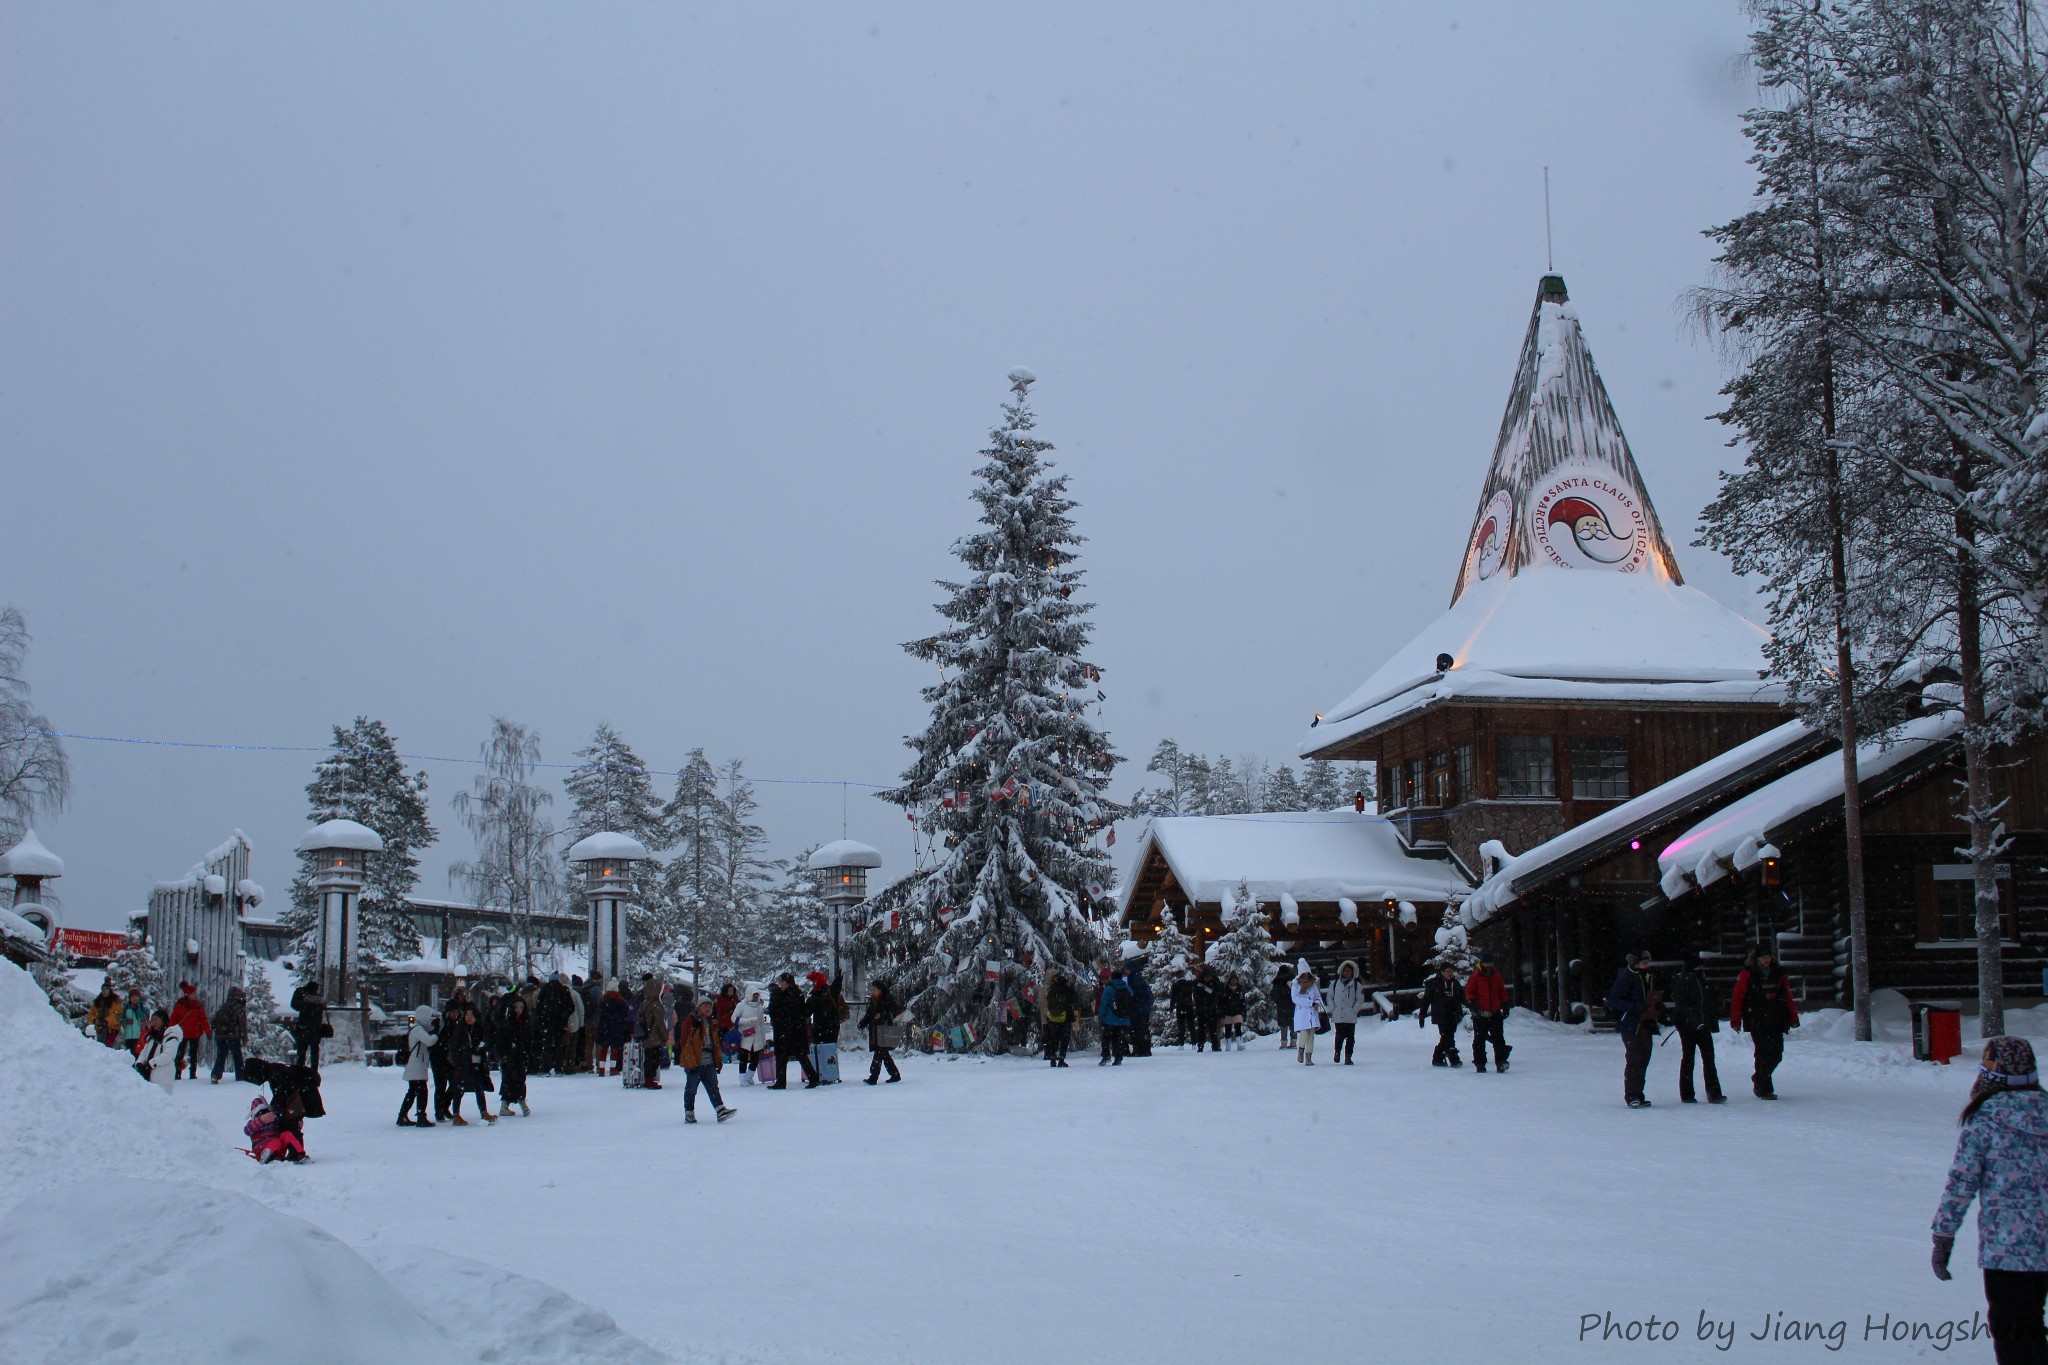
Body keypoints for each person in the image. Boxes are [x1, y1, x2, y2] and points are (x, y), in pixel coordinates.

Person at [1931, 1037, 2047, 1365]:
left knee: (2016, 1334)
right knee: (2029, 1327)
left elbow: (1961, 1182)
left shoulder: (1984, 1120)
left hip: (2008, 1252)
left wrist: (1943, 1235)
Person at [1729, 943, 1799, 1099]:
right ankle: (1764, 1089)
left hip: (1776, 1018)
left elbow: (1787, 996)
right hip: (1757, 1019)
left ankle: (1759, 1077)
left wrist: (1793, 1017)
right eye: (1763, 957)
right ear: (1757, 958)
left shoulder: (1779, 973)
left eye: (1768, 957)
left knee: (1777, 1054)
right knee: (1762, 1054)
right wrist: (1735, 1019)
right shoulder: (1748, 973)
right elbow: (1738, 996)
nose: (1766, 960)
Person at [1605, 950, 1661, 1109]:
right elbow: (1614, 999)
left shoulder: (1648, 976)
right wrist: (1634, 1007)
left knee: (1644, 1059)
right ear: (1636, 964)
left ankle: (1638, 1094)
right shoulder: (1626, 977)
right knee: (1634, 1059)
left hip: (1646, 1023)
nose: (1647, 965)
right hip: (1630, 1024)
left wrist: (1657, 1006)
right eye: (1644, 963)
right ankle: (1631, 1096)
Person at [1668, 950, 1725, 1104]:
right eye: (1699, 967)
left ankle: (1714, 1092)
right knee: (1689, 1058)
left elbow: (1707, 1004)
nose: (1701, 969)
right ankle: (1687, 1094)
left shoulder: (1701, 980)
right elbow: (1684, 1006)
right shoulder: (1684, 981)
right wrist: (1696, 1022)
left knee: (1708, 1059)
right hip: (1688, 1027)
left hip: (1703, 1025)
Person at [677, 998, 738, 1123]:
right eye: (705, 1006)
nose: (708, 1009)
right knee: (691, 1088)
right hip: (695, 1062)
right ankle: (689, 1113)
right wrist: (691, 1061)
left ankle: (720, 1110)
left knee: (713, 1087)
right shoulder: (691, 1022)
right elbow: (685, 1043)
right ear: (699, 1007)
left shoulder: (711, 1023)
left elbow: (715, 1043)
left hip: (709, 1061)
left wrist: (718, 1060)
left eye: (710, 1006)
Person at [442, 997, 495, 1124]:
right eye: (467, 1014)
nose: (469, 1017)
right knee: (459, 1090)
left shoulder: (479, 1030)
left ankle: (483, 1112)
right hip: (464, 1064)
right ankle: (456, 1115)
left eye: (471, 1015)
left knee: (479, 1087)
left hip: (477, 1063)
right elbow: (454, 1047)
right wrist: (459, 1059)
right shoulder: (461, 1030)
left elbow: (486, 1043)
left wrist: (481, 1047)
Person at [767, 973, 819, 1089]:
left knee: (787, 1056)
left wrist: (776, 999)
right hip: (792, 1031)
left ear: (786, 982)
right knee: (795, 1056)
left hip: (789, 1031)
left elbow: (783, 1011)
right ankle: (811, 1078)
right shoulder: (794, 993)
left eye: (782, 982)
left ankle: (783, 1081)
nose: (780, 985)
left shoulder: (791, 995)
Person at [1464, 952, 1512, 1073]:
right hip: (1480, 1014)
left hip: (1495, 1012)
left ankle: (1501, 1062)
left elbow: (1502, 991)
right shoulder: (1475, 976)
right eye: (1486, 963)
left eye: (1490, 963)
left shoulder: (1497, 976)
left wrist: (1505, 1005)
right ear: (1482, 963)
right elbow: (1469, 992)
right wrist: (1472, 1003)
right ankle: (1480, 1063)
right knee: (1479, 1041)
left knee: (1499, 1040)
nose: (1488, 965)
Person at [1420, 962, 1465, 1068]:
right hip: (1440, 1014)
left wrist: (1472, 1007)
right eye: (1447, 972)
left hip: (1453, 1014)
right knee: (1446, 1036)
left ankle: (1438, 1057)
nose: (1450, 974)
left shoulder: (1455, 983)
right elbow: (1426, 1000)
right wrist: (1422, 1015)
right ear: (1441, 972)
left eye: (1451, 971)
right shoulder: (1434, 983)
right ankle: (1453, 1058)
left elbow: (1462, 998)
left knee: (1449, 1036)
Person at [399, 1007, 438, 1127]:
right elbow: (429, 1041)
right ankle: (421, 1116)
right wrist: (436, 1035)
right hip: (417, 1064)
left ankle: (403, 1116)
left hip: (416, 1064)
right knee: (421, 1091)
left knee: (413, 1091)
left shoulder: (416, 1028)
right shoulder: (418, 1029)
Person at [498, 993, 535, 1116]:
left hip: (520, 1055)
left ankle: (512, 1104)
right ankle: (518, 1104)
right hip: (510, 1056)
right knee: (509, 1080)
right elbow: (501, 1041)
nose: (518, 1010)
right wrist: (504, 1055)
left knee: (519, 1079)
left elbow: (528, 1040)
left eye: (521, 1008)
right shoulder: (508, 1023)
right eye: (516, 1007)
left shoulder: (524, 1022)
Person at [861, 981, 904, 1084]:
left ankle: (873, 1077)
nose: (872, 991)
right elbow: (869, 1014)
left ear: (880, 990)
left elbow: (894, 1011)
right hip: (876, 1031)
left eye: (874, 989)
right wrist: (862, 1023)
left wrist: (882, 1015)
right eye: (872, 990)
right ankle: (895, 1074)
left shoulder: (887, 999)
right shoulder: (873, 1001)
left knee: (879, 1052)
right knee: (884, 1054)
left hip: (884, 1031)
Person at [245, 1095, 306, 1163]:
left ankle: (299, 1153)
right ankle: (266, 1156)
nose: (265, 1114)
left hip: (278, 1148)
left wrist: (297, 1126)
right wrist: (261, 1120)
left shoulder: (274, 1120)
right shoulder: (254, 1123)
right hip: (261, 1148)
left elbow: (282, 1129)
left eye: (266, 1111)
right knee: (276, 1141)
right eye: (261, 1112)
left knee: (287, 1134)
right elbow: (247, 1130)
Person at [168, 981, 210, 1080]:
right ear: (188, 994)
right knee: (181, 1054)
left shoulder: (196, 1006)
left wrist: (208, 1031)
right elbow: (174, 1019)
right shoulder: (182, 1006)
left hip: (193, 1033)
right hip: (184, 1033)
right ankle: (178, 1073)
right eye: (193, 994)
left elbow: (203, 1019)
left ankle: (192, 1073)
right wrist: (171, 1030)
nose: (195, 995)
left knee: (191, 1054)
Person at [1327, 959, 1366, 1065]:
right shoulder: (1334, 984)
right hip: (1338, 1014)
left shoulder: (1357, 985)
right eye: (1345, 971)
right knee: (1339, 1035)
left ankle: (1348, 1056)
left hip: (1350, 1015)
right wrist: (1333, 1008)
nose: (1347, 973)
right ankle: (1337, 1052)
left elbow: (1360, 999)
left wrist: (1354, 1010)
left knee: (1350, 1038)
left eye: (1349, 971)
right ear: (1342, 971)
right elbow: (1329, 997)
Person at [807, 971, 842, 1084]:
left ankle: (826, 1074)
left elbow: (806, 1011)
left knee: (826, 1051)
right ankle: (827, 1074)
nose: (813, 983)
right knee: (826, 1052)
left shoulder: (824, 993)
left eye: (815, 981)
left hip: (826, 1027)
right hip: (826, 1027)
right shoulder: (817, 995)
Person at [536, 972, 574, 1074]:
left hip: (547, 1023)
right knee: (559, 1045)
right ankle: (559, 1068)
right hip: (560, 1023)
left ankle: (545, 1068)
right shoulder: (563, 990)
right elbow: (571, 1007)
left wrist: (541, 1018)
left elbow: (538, 1007)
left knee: (546, 1046)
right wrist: (564, 1016)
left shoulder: (544, 990)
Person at [209, 984, 249, 1084]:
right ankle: (240, 1076)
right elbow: (242, 1025)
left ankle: (215, 1074)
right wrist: (244, 1039)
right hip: (232, 1035)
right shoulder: (239, 1007)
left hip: (220, 1035)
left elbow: (214, 1022)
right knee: (237, 1056)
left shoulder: (224, 1006)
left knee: (221, 1055)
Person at [636, 975, 669, 1090]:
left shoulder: (644, 1002)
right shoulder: (656, 1004)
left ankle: (648, 1078)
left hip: (645, 1034)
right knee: (654, 1058)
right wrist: (665, 1036)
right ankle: (649, 1080)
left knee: (648, 1057)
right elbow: (660, 1022)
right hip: (654, 1036)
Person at [1096, 965, 1134, 1066]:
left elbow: (1103, 1004)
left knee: (1106, 1038)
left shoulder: (1109, 989)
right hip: (1123, 1018)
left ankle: (1106, 1055)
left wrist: (1100, 1017)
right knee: (1118, 1039)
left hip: (1110, 1018)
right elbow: (1131, 1000)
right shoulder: (1127, 988)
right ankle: (1118, 1057)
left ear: (1112, 977)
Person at [1042, 969, 1079, 1068]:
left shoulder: (1052, 989)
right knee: (1064, 1039)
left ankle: (1053, 1058)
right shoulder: (1067, 990)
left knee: (1054, 1038)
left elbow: (1047, 1000)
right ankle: (1061, 1059)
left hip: (1052, 1018)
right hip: (1065, 1018)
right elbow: (1074, 999)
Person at [1289, 961, 1324, 1065]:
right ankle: (1300, 1051)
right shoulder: (1296, 985)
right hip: (1302, 1014)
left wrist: (1317, 1002)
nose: (1305, 978)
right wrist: (1310, 1003)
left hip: (1312, 1014)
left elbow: (1318, 996)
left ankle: (1309, 1057)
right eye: (1303, 975)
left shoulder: (1313, 985)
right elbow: (1295, 999)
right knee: (1304, 1034)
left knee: (1311, 1037)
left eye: (1307, 975)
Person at [594, 978, 630, 1077]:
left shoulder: (603, 1000)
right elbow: (625, 1014)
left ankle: (601, 1069)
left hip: (604, 1027)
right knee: (614, 1049)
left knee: (603, 1049)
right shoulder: (620, 1001)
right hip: (615, 1028)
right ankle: (613, 1069)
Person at [289, 979, 327, 1071]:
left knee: (301, 1051)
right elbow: (323, 1008)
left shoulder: (301, 994)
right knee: (314, 1051)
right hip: (315, 1028)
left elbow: (294, 1005)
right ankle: (314, 1070)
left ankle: (300, 1069)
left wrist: (304, 1005)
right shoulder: (318, 997)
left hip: (304, 1027)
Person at [135, 1008, 176, 1092]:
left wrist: (150, 1064)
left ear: (163, 1020)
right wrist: (139, 1063)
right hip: (148, 1074)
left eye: (156, 1020)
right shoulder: (151, 1037)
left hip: (163, 1075)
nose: (153, 1022)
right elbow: (144, 1052)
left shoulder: (170, 1037)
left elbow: (167, 1055)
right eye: (152, 1020)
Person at [735, 987, 769, 1083]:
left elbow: (761, 1023)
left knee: (755, 1058)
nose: (755, 997)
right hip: (745, 1035)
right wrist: (746, 1021)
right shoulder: (741, 1005)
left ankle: (749, 1077)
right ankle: (742, 1079)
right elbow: (734, 1018)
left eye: (757, 995)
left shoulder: (759, 1007)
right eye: (754, 995)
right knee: (743, 1059)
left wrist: (763, 1038)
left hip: (757, 1035)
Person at [1124, 952, 1155, 1057]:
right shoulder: (1137, 977)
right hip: (1142, 1008)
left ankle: (1140, 1049)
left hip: (1139, 1009)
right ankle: (1144, 1049)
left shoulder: (1134, 978)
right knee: (1142, 1029)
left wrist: (1131, 1001)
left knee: (1138, 1029)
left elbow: (1135, 993)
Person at [1213, 971, 1247, 1051]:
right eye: (1232, 979)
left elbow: (1242, 1002)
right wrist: (1222, 1011)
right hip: (1227, 1012)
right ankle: (1228, 1045)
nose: (1234, 981)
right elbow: (1221, 1002)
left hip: (1237, 1011)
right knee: (1228, 1028)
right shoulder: (1225, 990)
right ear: (1230, 980)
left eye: (1235, 979)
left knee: (1238, 1027)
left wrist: (1243, 1012)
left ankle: (1239, 1044)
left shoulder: (1240, 989)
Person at [1271, 964, 1297, 1049]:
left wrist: (1278, 999)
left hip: (1282, 1005)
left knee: (1283, 1024)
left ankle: (1284, 1043)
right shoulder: (1293, 980)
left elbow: (1273, 994)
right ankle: (1293, 1042)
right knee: (1293, 1023)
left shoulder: (1277, 981)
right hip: (1292, 1003)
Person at [1170, 968, 1197, 1049]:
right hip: (1189, 1006)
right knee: (1191, 1025)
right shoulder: (1189, 984)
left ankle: (1181, 1044)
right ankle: (1193, 1044)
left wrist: (1171, 1007)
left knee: (1181, 1027)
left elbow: (1173, 998)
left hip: (1180, 1007)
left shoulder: (1175, 985)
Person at [120, 985, 148, 1054]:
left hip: (139, 1036)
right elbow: (121, 1020)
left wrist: (137, 1010)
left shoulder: (143, 1008)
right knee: (129, 1055)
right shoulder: (126, 1008)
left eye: (136, 996)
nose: (135, 998)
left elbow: (145, 1020)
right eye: (132, 996)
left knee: (137, 1054)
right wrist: (126, 1021)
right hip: (127, 1036)